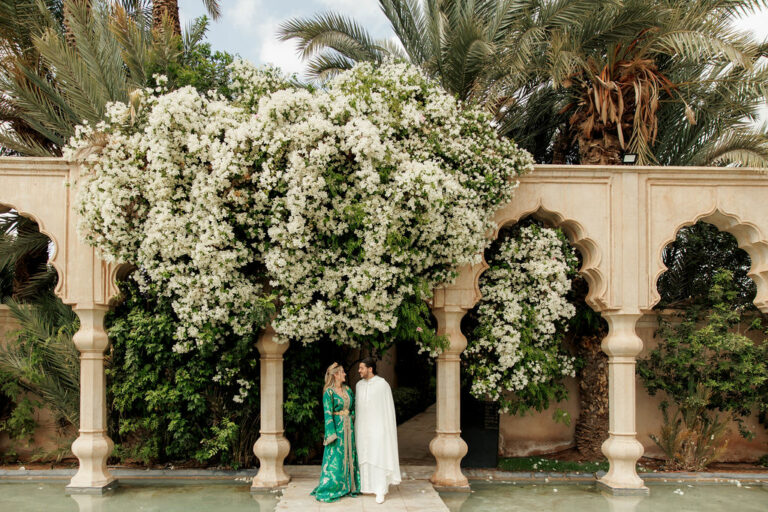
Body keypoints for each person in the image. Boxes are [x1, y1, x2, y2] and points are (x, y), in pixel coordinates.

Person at [311, 362, 361, 502]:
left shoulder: (348, 390)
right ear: (336, 375)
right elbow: (327, 414)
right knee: (336, 458)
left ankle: (350, 486)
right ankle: (333, 487)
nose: (345, 374)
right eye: (343, 372)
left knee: (349, 455)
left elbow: (354, 407)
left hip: (348, 428)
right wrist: (331, 433)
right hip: (337, 430)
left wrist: (351, 419)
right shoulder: (329, 392)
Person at [355, 357, 401, 504]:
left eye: (361, 368)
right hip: (362, 429)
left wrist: (386, 430)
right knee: (364, 456)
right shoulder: (358, 385)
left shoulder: (382, 385)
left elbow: (388, 410)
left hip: (378, 428)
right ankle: (366, 487)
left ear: (370, 369)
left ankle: (380, 490)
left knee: (378, 457)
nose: (359, 371)